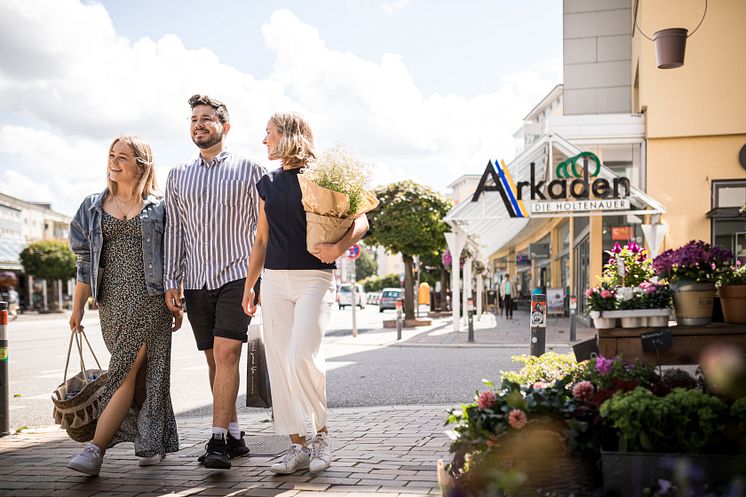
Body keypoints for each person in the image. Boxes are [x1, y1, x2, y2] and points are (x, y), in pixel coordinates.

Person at [242, 112, 369, 474]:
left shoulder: (325, 175)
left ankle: (322, 436)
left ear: (288, 135)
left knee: (302, 355)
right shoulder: (266, 182)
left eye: (268, 133)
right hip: (275, 280)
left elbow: (361, 220)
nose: (263, 139)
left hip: (316, 277)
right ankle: (296, 444)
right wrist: (251, 285)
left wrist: (338, 248)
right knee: (280, 363)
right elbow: (262, 238)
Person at [66, 136, 181, 476]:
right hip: (111, 302)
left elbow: (173, 256)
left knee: (123, 371)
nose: (114, 162)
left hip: (150, 299)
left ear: (141, 165)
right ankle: (151, 440)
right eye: (112, 156)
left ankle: (94, 449)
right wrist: (77, 307)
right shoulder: (90, 206)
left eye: (123, 157)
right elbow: (84, 262)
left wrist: (176, 300)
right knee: (143, 376)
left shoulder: (159, 207)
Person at [164, 94, 265, 470]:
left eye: (207, 118)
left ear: (225, 126)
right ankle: (235, 432)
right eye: (193, 119)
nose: (199, 124)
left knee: (227, 355)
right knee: (213, 360)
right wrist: (172, 279)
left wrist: (258, 280)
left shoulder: (252, 171)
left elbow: (263, 230)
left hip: (238, 277)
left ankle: (218, 439)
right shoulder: (178, 176)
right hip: (196, 280)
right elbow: (175, 231)